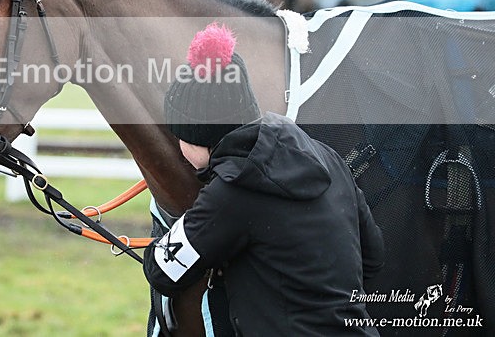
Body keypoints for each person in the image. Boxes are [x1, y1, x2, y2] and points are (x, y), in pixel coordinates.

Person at [143, 23, 385, 336]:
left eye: (179, 134)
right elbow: (373, 257)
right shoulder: (324, 155)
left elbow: (162, 272)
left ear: (199, 135)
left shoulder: (231, 191)